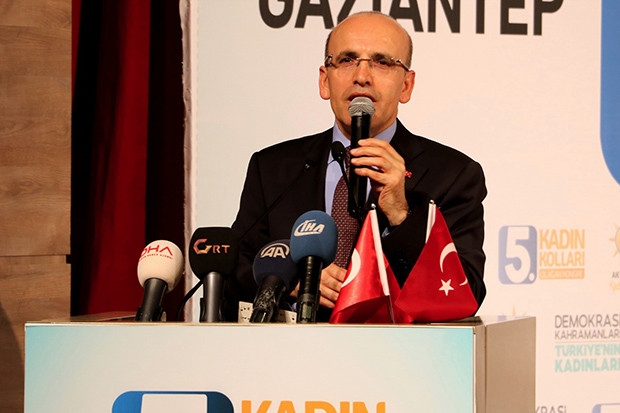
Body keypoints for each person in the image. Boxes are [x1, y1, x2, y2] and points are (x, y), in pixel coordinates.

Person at [223, 11, 487, 322]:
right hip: (290, 347)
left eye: (382, 62)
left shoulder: (454, 175)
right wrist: (290, 282)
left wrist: (401, 214)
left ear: (406, 85)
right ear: (325, 81)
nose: (362, 76)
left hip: (397, 348)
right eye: (347, 60)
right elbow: (235, 271)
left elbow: (467, 293)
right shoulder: (272, 168)